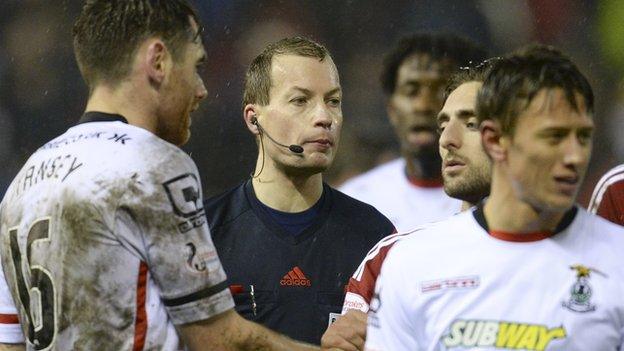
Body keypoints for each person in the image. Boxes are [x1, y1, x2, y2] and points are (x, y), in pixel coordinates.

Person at [0, 2, 318, 350]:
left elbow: (9, 344)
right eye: (196, 65)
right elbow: (218, 339)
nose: (202, 89)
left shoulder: (22, 184)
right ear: (158, 61)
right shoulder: (154, 164)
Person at [365, 45, 624, 351]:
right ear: (495, 140)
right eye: (553, 136)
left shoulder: (617, 259)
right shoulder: (414, 263)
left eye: (583, 137)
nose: (575, 157)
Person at [204, 36, 395, 345]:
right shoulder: (205, 234)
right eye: (300, 101)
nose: (324, 118)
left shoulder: (373, 237)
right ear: (254, 120)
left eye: (333, 101)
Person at [321, 62, 493, 351]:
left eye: (471, 123)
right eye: (443, 125)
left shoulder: (577, 262)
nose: (447, 140)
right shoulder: (390, 259)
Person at [339, 33, 487, 231]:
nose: (422, 105)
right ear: (391, 110)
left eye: (440, 90)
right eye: (411, 91)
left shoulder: (498, 198)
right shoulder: (356, 202)